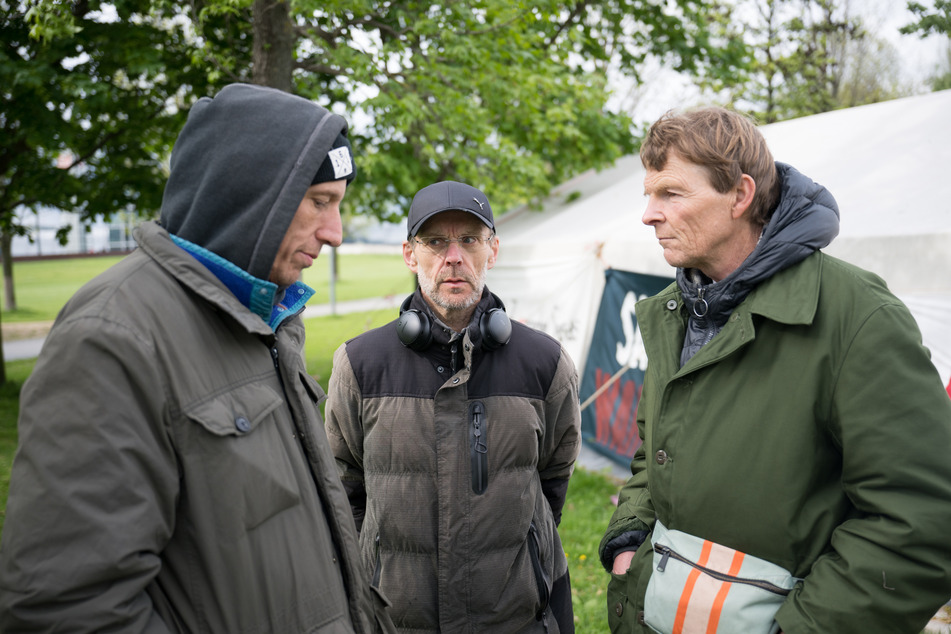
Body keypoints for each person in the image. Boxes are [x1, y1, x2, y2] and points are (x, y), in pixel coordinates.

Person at [0, 83, 394, 633]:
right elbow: (67, 607)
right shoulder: (112, 337)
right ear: (251, 194)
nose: (335, 234)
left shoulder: (269, 320)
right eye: (320, 202)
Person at [599, 107, 951, 633]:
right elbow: (656, 455)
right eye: (648, 195)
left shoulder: (857, 316)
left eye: (670, 194)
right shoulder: (672, 310)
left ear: (740, 196)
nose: (649, 214)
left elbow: (922, 519)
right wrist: (629, 543)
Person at [324, 180, 582, 633]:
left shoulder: (546, 362)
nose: (453, 257)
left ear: (493, 250)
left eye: (469, 240)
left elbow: (551, 481)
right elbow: (343, 491)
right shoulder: (359, 364)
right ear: (410, 254)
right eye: (436, 242)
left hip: (516, 620)